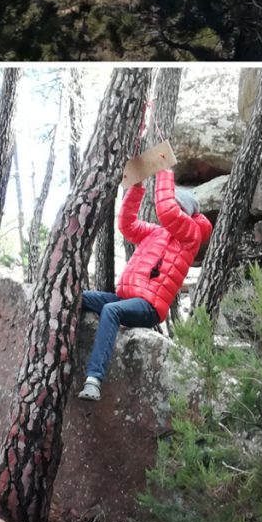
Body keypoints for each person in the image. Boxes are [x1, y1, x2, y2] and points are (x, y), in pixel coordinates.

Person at [77, 169, 212, 401]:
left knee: (111, 311)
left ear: (185, 212)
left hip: (149, 307)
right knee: (77, 297)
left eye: (177, 207)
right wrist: (136, 188)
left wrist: (164, 169)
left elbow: (166, 210)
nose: (170, 214)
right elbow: (127, 225)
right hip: (127, 299)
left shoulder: (190, 237)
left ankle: (94, 380)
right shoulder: (157, 233)